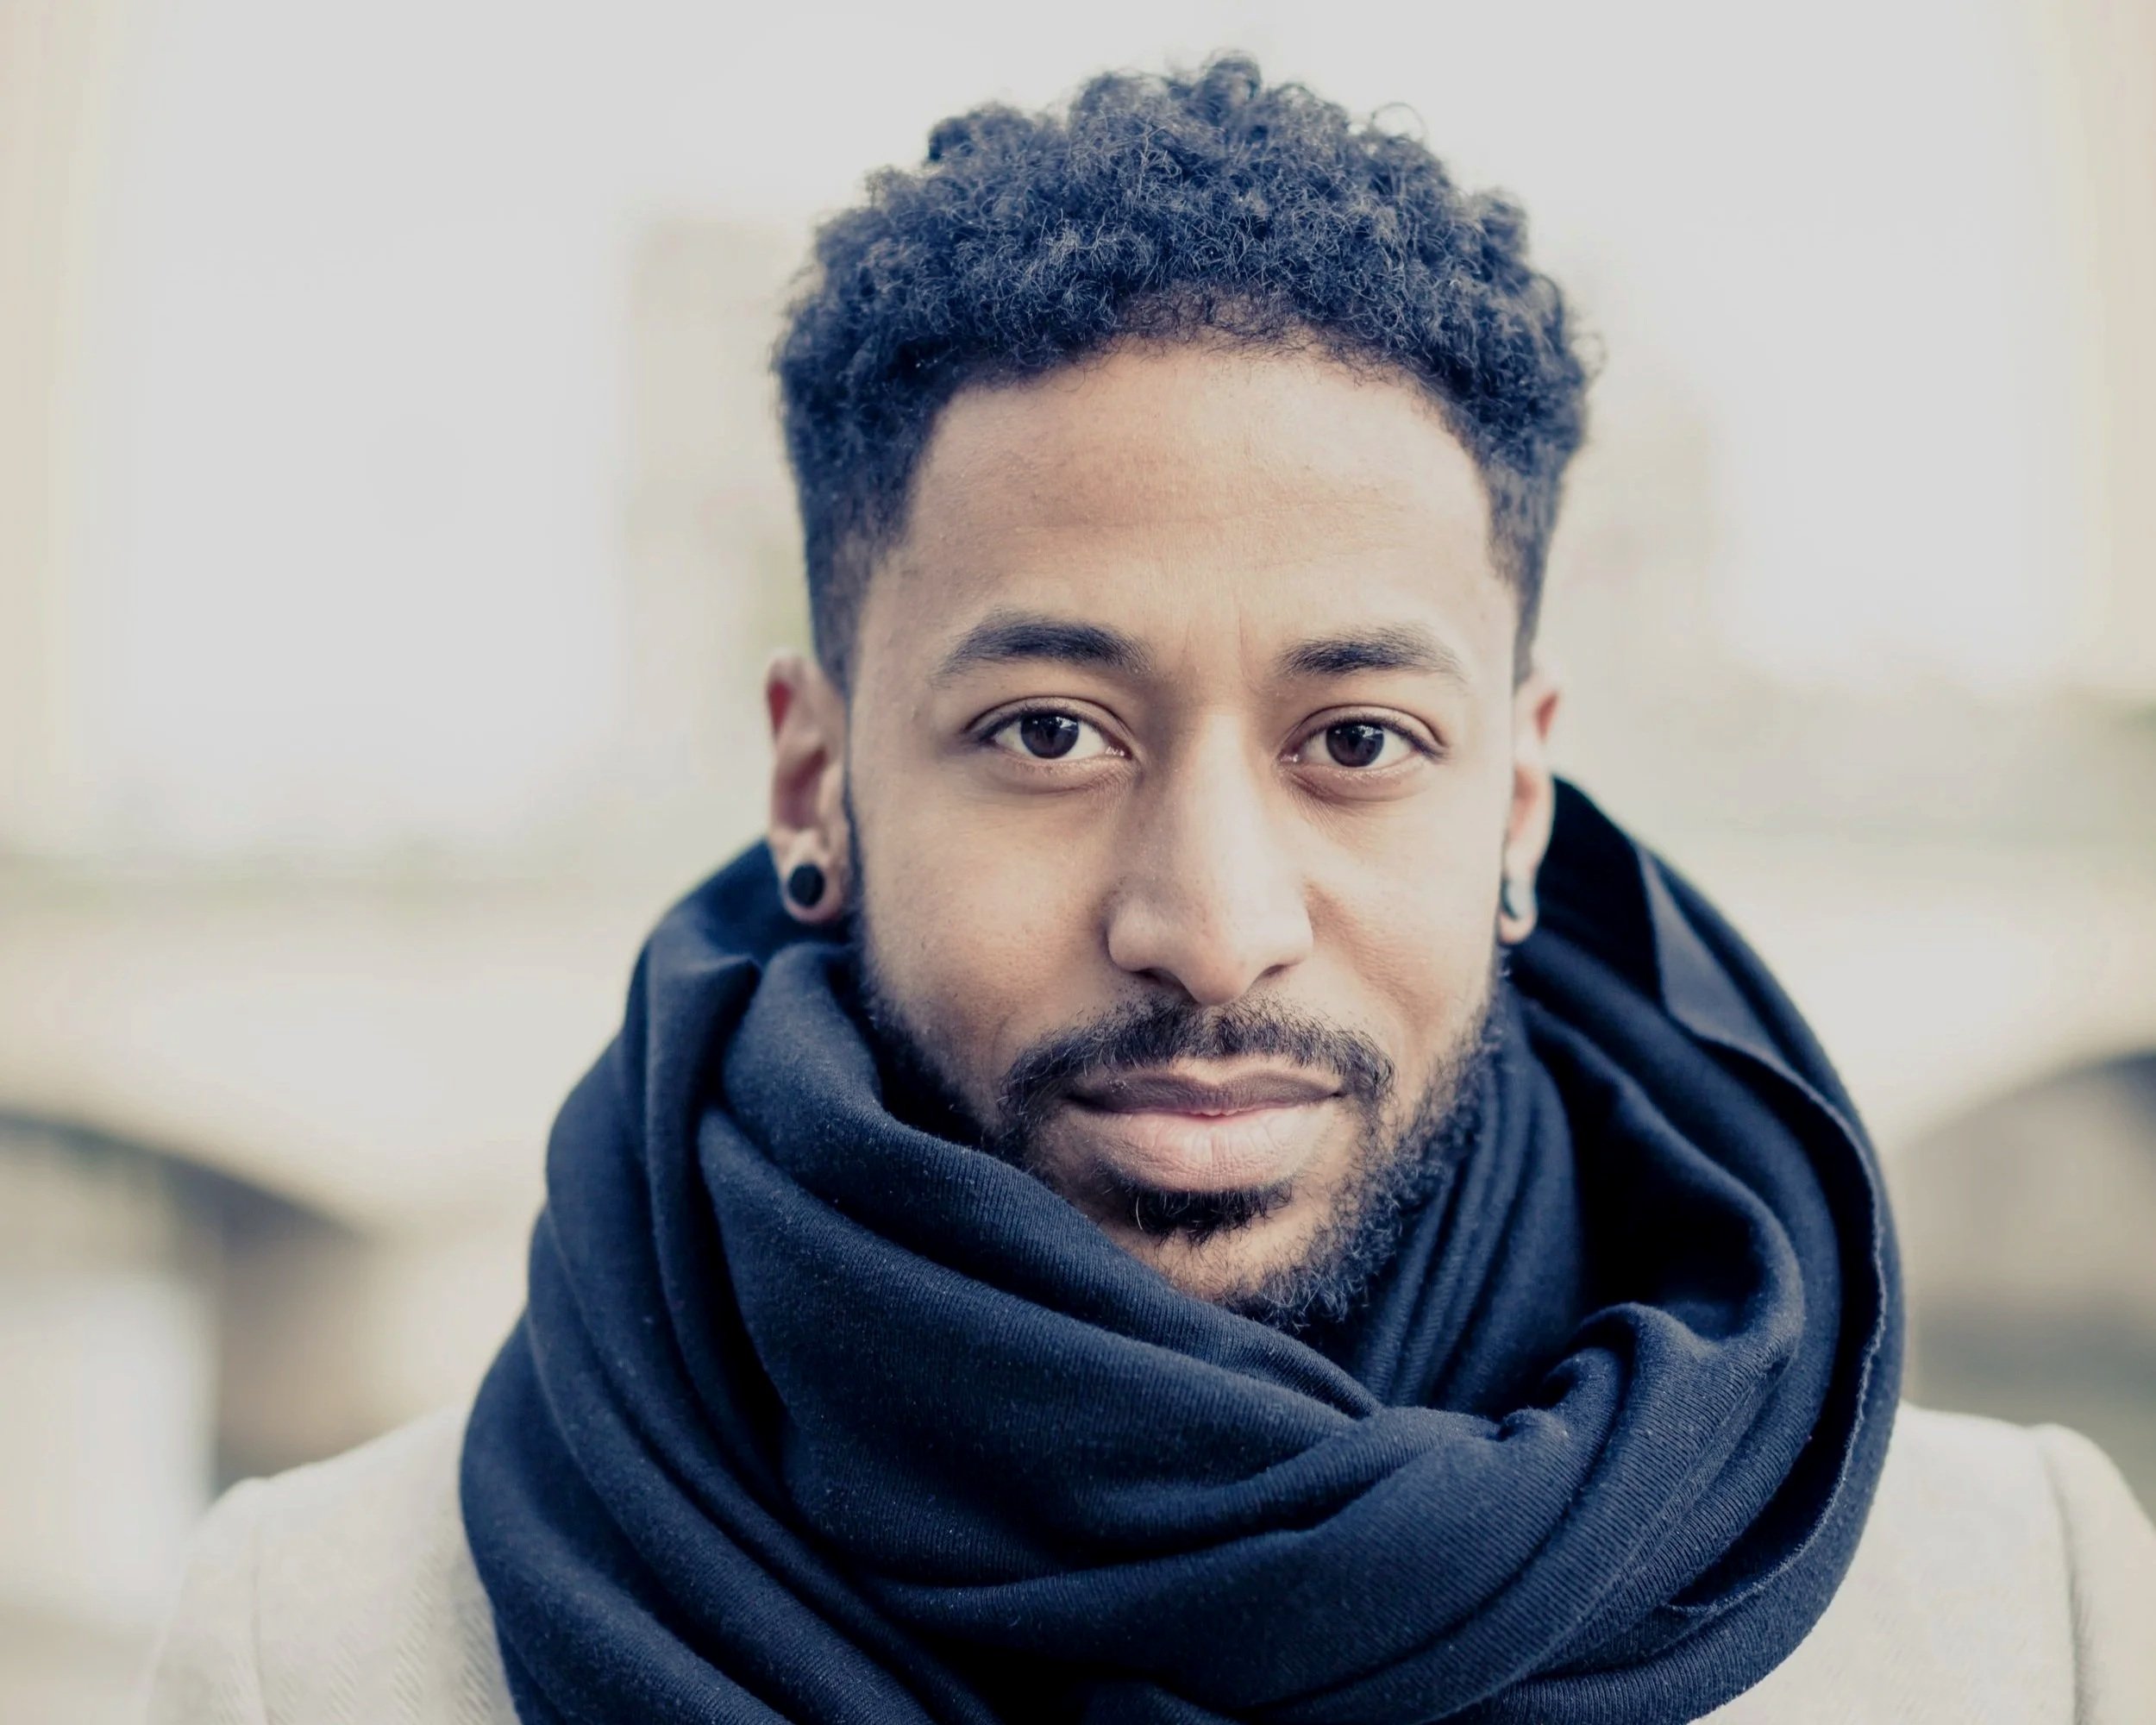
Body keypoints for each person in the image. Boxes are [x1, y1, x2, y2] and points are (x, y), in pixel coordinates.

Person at [144, 54, 2155, 1725]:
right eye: (1046, 732)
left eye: (1355, 740)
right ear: (812, 776)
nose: (1207, 923)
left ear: (1521, 803)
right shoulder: (313, 1647)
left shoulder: (2026, 1613)